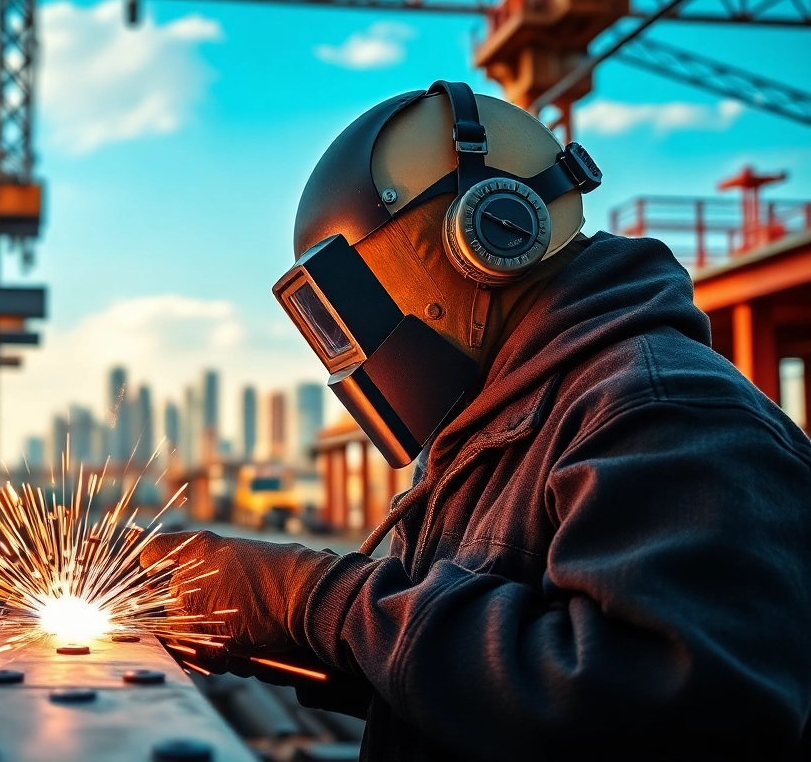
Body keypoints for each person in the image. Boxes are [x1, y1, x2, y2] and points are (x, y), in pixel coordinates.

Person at [141, 81, 811, 760]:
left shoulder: (664, 410)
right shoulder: (491, 426)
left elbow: (652, 707)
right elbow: (473, 688)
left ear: (488, 236)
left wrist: (313, 598)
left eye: (358, 298)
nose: (359, 347)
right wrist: (267, 631)